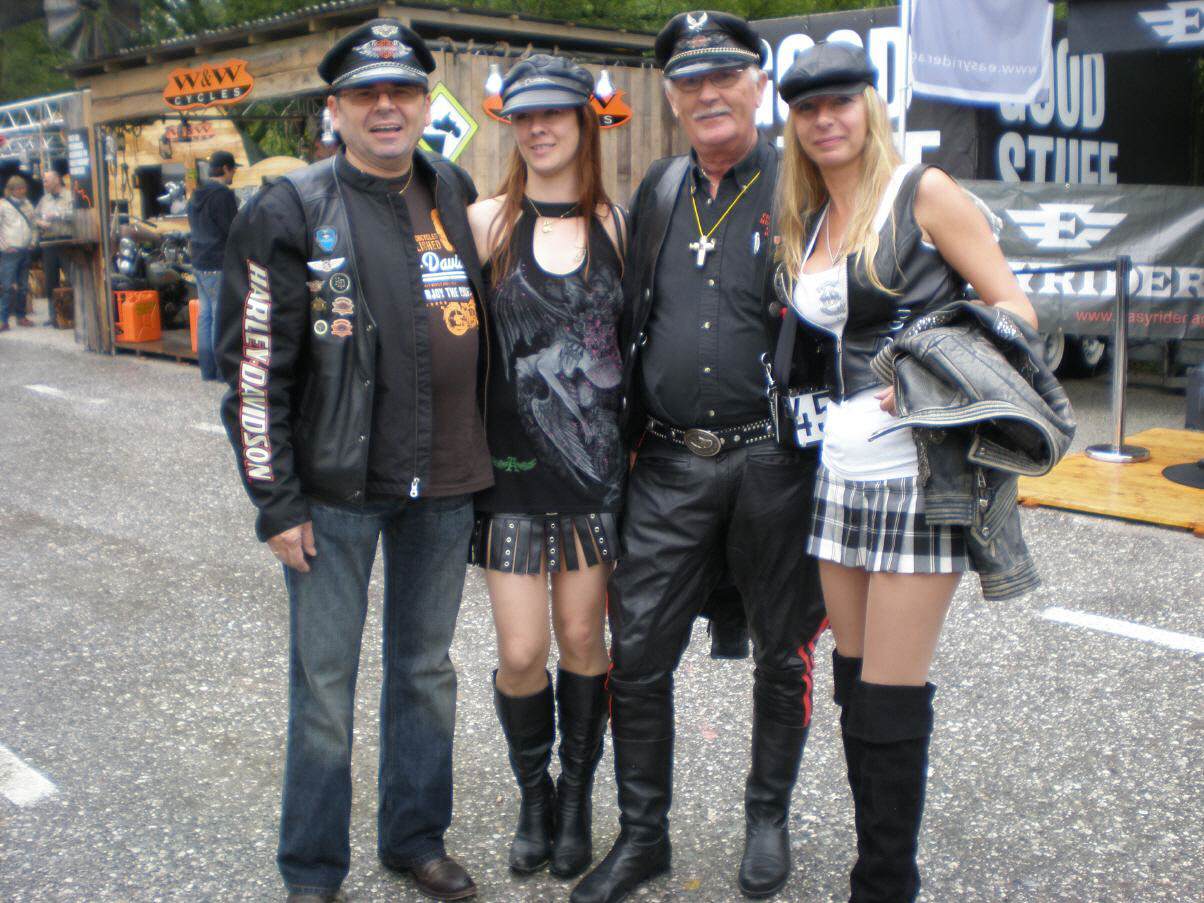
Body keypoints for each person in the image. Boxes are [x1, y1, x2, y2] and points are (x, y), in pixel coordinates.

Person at [215, 19, 492, 903]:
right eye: (365, 94)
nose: (385, 107)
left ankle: (415, 838)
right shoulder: (288, 208)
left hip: (444, 482)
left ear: (424, 103)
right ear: (334, 109)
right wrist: (275, 499)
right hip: (334, 491)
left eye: (401, 90)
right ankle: (312, 868)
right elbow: (253, 368)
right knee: (324, 685)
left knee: (426, 673)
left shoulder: (451, 187)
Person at [774, 43, 1039, 902]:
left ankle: (885, 883)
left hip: (921, 474)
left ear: (870, 107)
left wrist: (927, 373)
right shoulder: (813, 217)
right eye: (807, 108)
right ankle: (875, 863)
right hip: (840, 474)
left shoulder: (920, 191)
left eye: (840, 102)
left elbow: (1016, 309)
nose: (825, 120)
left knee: (890, 691)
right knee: (855, 685)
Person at [572, 11, 828, 903]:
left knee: (784, 649)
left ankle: (768, 818)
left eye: (725, 76)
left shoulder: (805, 181)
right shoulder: (660, 185)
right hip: (671, 460)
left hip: (775, 460)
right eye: (690, 81)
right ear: (672, 98)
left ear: (759, 84)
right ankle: (643, 837)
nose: (708, 93)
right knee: (637, 651)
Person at [465, 55, 626, 881]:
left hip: (594, 479)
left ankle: (579, 797)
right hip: (512, 476)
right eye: (525, 116)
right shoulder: (485, 222)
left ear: (583, 121)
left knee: (584, 638)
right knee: (524, 649)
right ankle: (535, 796)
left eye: (555, 114)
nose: (539, 128)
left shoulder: (618, 226)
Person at [188, 150, 239, 381]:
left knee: (205, 315)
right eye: (233, 169)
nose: (234, 173)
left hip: (198, 261)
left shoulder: (195, 195)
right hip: (218, 262)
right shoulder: (223, 195)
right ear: (226, 169)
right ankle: (221, 372)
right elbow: (233, 229)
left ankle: (207, 370)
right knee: (220, 315)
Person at [35, 168, 73, 326]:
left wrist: (57, 215)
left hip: (66, 242)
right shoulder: (44, 200)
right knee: (51, 281)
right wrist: (40, 222)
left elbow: (76, 214)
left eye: (46, 180)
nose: (44, 183)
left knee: (72, 278)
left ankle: (73, 314)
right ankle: (54, 316)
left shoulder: (70, 196)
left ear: (56, 180)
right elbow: (35, 216)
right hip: (49, 243)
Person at [1, 174, 38, 332]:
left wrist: (33, 242)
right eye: (19, 188)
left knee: (23, 286)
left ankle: (21, 316)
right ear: (12, 190)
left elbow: (34, 225)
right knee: (7, 286)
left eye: (23, 188)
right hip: (10, 252)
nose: (22, 191)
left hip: (25, 250)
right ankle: (3, 319)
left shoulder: (28, 205)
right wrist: (4, 246)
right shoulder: (3, 205)